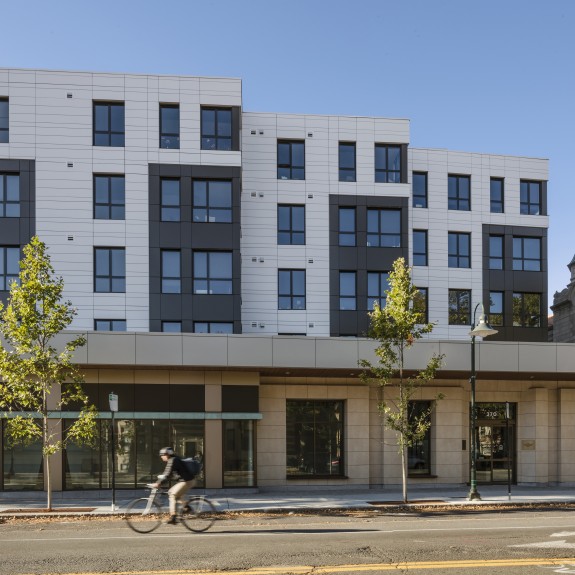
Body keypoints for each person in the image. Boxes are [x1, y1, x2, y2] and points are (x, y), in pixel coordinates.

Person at [154, 447, 196, 525]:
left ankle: (173, 517)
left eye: (162, 455)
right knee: (175, 494)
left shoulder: (173, 460)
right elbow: (167, 473)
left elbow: (167, 473)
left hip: (187, 481)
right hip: (185, 480)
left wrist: (158, 483)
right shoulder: (173, 460)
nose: (161, 457)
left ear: (167, 454)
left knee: (172, 494)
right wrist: (159, 481)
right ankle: (187, 508)